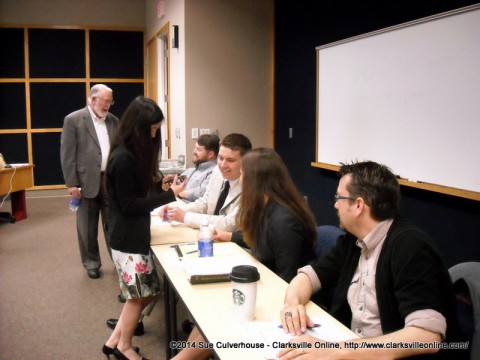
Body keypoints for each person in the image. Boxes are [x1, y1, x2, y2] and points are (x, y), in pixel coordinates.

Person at [278, 161, 459, 360]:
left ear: (358, 205)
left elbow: (426, 336)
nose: (335, 204)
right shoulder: (353, 240)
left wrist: (337, 351)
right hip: (352, 346)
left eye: (339, 197)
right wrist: (291, 305)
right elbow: (310, 276)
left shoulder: (410, 247)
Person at [172, 147, 318, 360]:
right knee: (211, 317)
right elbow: (263, 240)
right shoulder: (268, 208)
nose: (241, 180)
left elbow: (288, 278)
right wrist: (230, 237)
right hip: (265, 285)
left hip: (284, 300)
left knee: (218, 320)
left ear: (257, 180)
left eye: (244, 175)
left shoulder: (284, 221)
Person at [102, 96, 182, 360]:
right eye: (151, 129)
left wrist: (159, 188)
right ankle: (123, 347)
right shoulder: (122, 158)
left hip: (132, 234)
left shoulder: (131, 154)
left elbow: (136, 195)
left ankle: (114, 340)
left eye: (156, 129)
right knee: (140, 296)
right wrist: (168, 196)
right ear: (137, 127)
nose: (154, 134)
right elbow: (130, 205)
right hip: (126, 238)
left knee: (144, 293)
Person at [60, 84, 118, 279]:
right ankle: (92, 263)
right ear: (93, 100)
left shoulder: (114, 121)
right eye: (105, 101)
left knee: (113, 223)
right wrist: (71, 183)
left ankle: (119, 261)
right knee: (87, 226)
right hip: (84, 182)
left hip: (110, 180)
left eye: (111, 102)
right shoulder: (74, 120)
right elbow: (67, 155)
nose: (108, 105)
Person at [162, 133, 252, 232]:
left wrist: (185, 217)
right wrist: (175, 211)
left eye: (230, 160)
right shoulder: (217, 172)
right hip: (210, 235)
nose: (223, 165)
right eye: (221, 158)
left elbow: (229, 224)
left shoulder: (251, 186)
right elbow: (205, 203)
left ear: (246, 162)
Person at [177, 134, 219, 202]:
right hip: (177, 203)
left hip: (191, 209)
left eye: (198, 149)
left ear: (210, 154)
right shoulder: (190, 170)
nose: (194, 152)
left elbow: (202, 192)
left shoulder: (215, 171)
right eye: (195, 148)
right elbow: (175, 185)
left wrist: (179, 193)